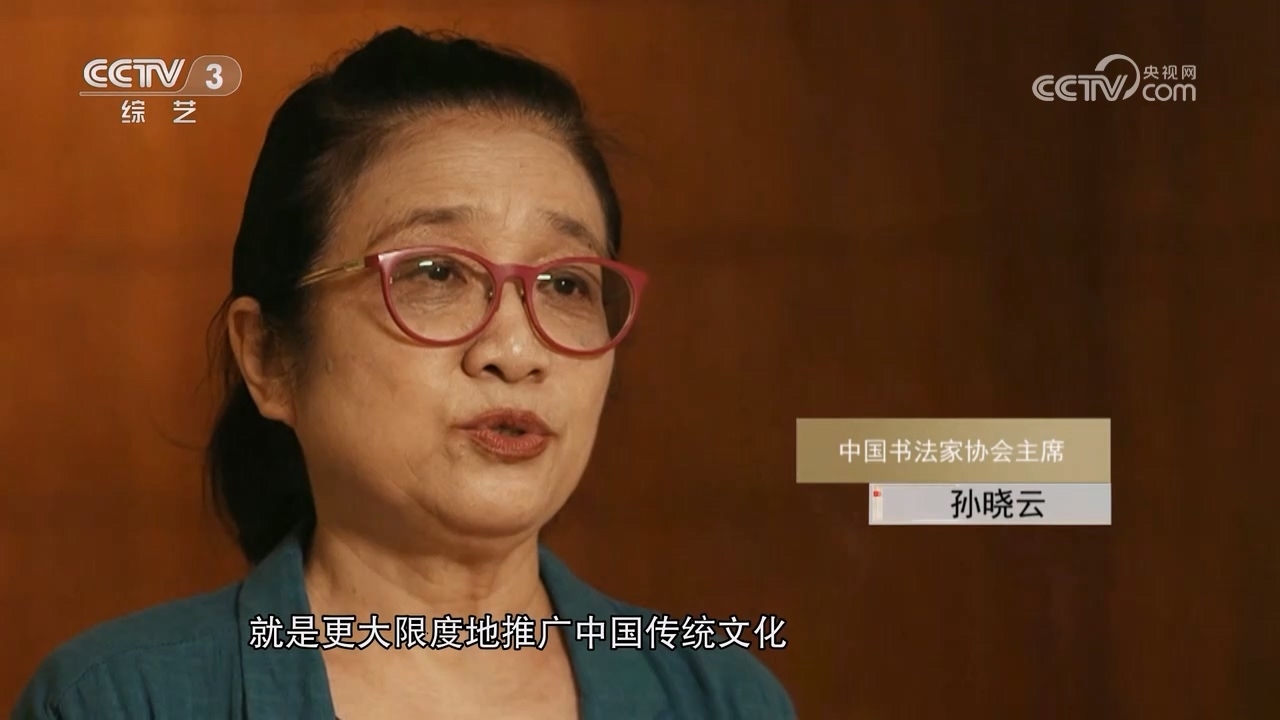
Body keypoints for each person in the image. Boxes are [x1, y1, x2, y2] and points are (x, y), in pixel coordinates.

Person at [13, 27, 794, 720]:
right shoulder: (120, 701)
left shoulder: (723, 700)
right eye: (435, 272)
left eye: (565, 284)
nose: (515, 349)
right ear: (270, 359)